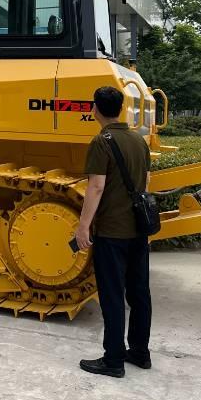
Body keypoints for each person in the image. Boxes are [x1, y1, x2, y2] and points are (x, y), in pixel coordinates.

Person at [75, 86, 152, 378]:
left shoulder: (101, 142)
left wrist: (83, 226)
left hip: (112, 231)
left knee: (112, 295)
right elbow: (146, 180)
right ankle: (140, 352)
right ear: (120, 109)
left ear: (95, 109)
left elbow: (96, 186)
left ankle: (113, 360)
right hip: (138, 230)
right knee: (139, 293)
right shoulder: (138, 140)